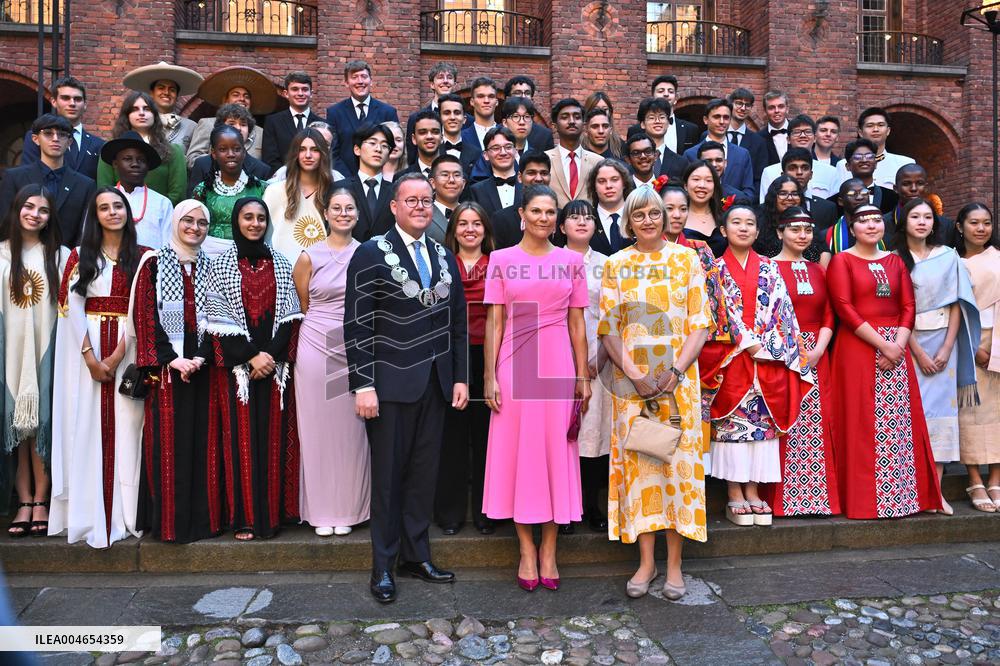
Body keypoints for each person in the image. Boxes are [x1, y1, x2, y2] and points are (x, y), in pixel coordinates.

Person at [344, 174, 468, 604]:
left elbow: (456, 321)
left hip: (435, 385)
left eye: (426, 200)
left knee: (422, 477)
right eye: (411, 200)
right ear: (394, 206)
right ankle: (383, 565)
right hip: (388, 387)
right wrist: (362, 384)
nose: (420, 207)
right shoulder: (370, 253)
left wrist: (459, 377)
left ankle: (417, 556)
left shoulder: (442, 254)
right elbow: (357, 324)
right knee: (388, 480)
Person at [599, 186, 711, 599]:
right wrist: (635, 375)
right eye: (639, 214)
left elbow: (700, 323)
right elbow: (609, 328)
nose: (648, 220)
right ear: (628, 221)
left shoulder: (686, 259)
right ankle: (646, 564)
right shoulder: (616, 265)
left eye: (655, 213)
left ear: (666, 217)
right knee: (642, 472)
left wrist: (675, 372)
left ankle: (676, 566)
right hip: (632, 387)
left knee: (676, 470)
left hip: (679, 384)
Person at [482, 184, 589, 592]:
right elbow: (495, 320)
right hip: (515, 361)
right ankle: (525, 548)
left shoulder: (570, 261)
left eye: (551, 212)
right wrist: (490, 375)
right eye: (537, 211)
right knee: (519, 455)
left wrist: (582, 375)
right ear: (522, 214)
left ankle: (549, 549)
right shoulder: (502, 259)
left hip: (558, 361)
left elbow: (577, 324)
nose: (544, 218)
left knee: (553, 453)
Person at [826, 204, 942, 519]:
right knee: (860, 421)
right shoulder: (842, 260)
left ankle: (901, 497)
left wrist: (899, 345)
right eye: (864, 221)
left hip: (897, 346)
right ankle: (865, 502)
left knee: (899, 421)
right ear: (852, 228)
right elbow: (844, 308)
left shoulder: (894, 261)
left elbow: (908, 304)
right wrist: (884, 345)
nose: (872, 225)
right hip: (858, 346)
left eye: (877, 220)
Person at [700, 204, 811, 526]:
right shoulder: (715, 271)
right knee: (733, 430)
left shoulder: (771, 269)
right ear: (723, 230)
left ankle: (754, 491)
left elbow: (784, 312)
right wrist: (747, 342)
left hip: (768, 359)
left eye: (750, 223)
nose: (743, 228)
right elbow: (717, 314)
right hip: (732, 359)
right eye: (736, 223)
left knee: (763, 430)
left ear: (758, 232)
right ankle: (735, 493)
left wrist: (770, 347)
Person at [48, 188, 146, 548]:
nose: (112, 212)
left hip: (128, 350)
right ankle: (90, 512)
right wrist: (91, 357)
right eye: (104, 208)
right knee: (88, 424)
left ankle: (126, 513)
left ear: (128, 212)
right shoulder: (79, 256)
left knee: (127, 428)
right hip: (87, 350)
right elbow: (70, 308)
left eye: (117, 206)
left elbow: (142, 308)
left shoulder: (144, 257)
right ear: (95, 215)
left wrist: (118, 354)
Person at [205, 197, 302, 540]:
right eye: (248, 217)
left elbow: (291, 315)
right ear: (236, 221)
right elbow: (216, 319)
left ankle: (272, 516)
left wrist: (270, 357)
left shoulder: (280, 261)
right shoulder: (220, 266)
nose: (255, 224)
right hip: (237, 372)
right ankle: (245, 518)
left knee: (272, 442)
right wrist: (249, 357)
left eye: (261, 218)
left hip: (274, 371)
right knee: (240, 443)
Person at [130, 199, 221, 543]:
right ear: (175, 222)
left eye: (202, 223)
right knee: (168, 446)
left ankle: (204, 523)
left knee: (204, 445)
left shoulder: (211, 267)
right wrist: (172, 359)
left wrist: (199, 357)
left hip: (202, 370)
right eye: (188, 221)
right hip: (167, 373)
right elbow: (145, 319)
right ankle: (170, 524)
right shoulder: (153, 263)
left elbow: (217, 316)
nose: (195, 228)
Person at [895, 197, 980, 516]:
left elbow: (956, 303)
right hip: (908, 343)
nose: (921, 222)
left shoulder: (948, 257)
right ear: (903, 221)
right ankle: (912, 490)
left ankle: (936, 492)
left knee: (941, 418)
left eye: (927, 217)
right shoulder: (893, 259)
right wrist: (915, 349)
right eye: (914, 216)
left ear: (935, 222)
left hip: (944, 341)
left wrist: (945, 348)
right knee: (914, 415)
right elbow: (896, 311)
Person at [292, 188, 368, 537]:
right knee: (318, 430)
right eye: (336, 208)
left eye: (349, 208)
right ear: (326, 214)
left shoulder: (366, 254)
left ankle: (351, 509)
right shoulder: (309, 256)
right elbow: (304, 303)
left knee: (351, 431)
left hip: (354, 346)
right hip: (316, 347)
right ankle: (321, 510)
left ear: (356, 213)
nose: (342, 213)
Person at [758, 207, 842, 517]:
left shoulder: (820, 269)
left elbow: (829, 313)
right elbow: (763, 315)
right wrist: (788, 349)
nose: (802, 235)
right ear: (780, 232)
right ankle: (781, 501)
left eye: (807, 230)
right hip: (781, 354)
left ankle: (819, 499)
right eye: (794, 229)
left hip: (817, 353)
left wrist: (819, 348)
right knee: (784, 421)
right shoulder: (767, 267)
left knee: (818, 423)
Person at [0, 185, 69, 537]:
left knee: (43, 425)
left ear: (49, 218)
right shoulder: (0, 256)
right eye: (29, 207)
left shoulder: (59, 256)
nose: (35, 215)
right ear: (17, 209)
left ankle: (41, 500)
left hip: (48, 351)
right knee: (19, 431)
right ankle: (23, 500)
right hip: (9, 352)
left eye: (42, 210)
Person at [435, 201, 494, 536]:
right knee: (452, 437)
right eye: (463, 224)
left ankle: (487, 512)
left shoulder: (498, 264)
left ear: (485, 230)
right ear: (453, 230)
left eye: (476, 223)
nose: (470, 229)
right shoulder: (441, 263)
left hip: (489, 356)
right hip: (450, 355)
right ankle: (450, 513)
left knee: (487, 437)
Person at [559, 200, 612, 534]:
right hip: (556, 358)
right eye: (573, 217)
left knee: (595, 435)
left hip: (599, 359)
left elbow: (616, 317)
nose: (581, 222)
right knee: (563, 436)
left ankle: (592, 505)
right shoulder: (549, 261)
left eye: (588, 217)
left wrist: (601, 356)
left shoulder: (609, 264)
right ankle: (565, 506)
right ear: (561, 226)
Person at [953, 203, 1000, 511]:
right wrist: (974, 348)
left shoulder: (998, 259)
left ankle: (995, 479)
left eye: (986, 223)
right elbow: (953, 309)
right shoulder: (951, 262)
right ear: (960, 226)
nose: (981, 229)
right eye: (974, 223)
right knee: (970, 412)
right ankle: (974, 479)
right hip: (968, 341)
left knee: (998, 413)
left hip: (999, 337)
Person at [0, 114, 95, 248]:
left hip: (65, 261)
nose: (55, 139)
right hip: (19, 258)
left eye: (62, 134)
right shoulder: (14, 177)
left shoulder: (85, 185)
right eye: (48, 134)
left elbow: (84, 232)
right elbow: (5, 223)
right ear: (36, 139)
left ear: (69, 142)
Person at [97, 91, 187, 205]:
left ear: (155, 114)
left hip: (160, 215)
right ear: (127, 115)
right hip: (119, 214)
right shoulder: (111, 149)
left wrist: (152, 211)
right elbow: (104, 188)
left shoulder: (173, 151)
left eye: (147, 109)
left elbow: (177, 193)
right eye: (135, 109)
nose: (141, 113)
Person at [191, 125, 268, 258]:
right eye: (223, 149)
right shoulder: (202, 190)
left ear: (244, 152)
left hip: (250, 257)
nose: (231, 154)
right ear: (214, 154)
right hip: (209, 258)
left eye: (237, 149)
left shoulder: (261, 188)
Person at [263, 128, 332, 264]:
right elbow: (264, 237)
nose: (308, 155)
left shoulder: (332, 192)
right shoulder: (274, 191)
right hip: (280, 269)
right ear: (295, 153)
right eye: (302, 149)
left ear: (323, 154)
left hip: (321, 270)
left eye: (314, 150)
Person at [187, 66, 277, 168]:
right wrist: (224, 163)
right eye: (236, 95)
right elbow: (192, 159)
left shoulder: (260, 132)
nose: (242, 99)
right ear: (225, 100)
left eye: (246, 96)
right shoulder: (207, 124)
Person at [20, 76, 105, 180]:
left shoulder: (98, 145)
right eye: (65, 98)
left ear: (85, 104)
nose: (72, 103)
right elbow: (28, 175)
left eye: (77, 99)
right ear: (54, 101)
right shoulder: (38, 137)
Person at [100, 131, 174, 250]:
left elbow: (168, 246)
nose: (135, 164)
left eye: (141, 160)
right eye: (127, 159)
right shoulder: (102, 200)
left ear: (148, 166)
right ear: (115, 164)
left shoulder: (162, 203)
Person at [326, 60, 399, 175]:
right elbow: (332, 152)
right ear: (346, 82)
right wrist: (348, 180)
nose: (360, 81)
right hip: (346, 180)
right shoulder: (334, 113)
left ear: (371, 81)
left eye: (364, 77)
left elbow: (393, 149)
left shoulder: (388, 112)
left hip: (379, 178)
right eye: (354, 77)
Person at [332, 124, 396, 242]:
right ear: (357, 149)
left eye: (385, 145)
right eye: (372, 143)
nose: (378, 149)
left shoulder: (395, 191)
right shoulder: (339, 188)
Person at [188, 104, 274, 191]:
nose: (238, 128)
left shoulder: (262, 169)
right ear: (220, 127)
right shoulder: (202, 165)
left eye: (243, 124)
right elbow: (193, 202)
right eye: (232, 123)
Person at [122, 61, 203, 152]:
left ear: (177, 95)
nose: (166, 93)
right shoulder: (140, 121)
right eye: (161, 88)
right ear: (151, 93)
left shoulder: (191, 127)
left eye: (172, 89)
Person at [683, 99, 754, 199]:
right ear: (705, 120)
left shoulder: (742, 154)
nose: (722, 122)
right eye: (716, 117)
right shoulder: (690, 154)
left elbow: (749, 191)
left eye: (726, 117)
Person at [758, 115, 838, 202]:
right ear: (788, 139)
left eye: (807, 132)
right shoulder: (770, 172)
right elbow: (765, 207)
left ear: (815, 138)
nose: (803, 135)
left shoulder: (830, 172)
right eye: (797, 132)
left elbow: (832, 209)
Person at [756, 176, 831, 266]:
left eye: (795, 194)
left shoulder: (806, 219)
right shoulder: (759, 221)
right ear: (773, 197)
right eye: (783, 193)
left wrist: (821, 274)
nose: (790, 198)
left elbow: (824, 251)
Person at [405, 62, 469, 164]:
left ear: (455, 84)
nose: (445, 81)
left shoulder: (468, 120)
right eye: (440, 77)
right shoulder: (415, 118)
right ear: (432, 84)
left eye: (449, 77)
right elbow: (412, 157)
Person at [835, 107, 915, 189]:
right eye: (870, 126)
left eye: (880, 125)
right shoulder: (843, 165)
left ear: (888, 131)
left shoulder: (904, 163)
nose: (876, 129)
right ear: (860, 132)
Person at [545, 99, 602, 206]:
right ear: (554, 126)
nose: (571, 121)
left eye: (577, 117)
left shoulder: (598, 161)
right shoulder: (544, 159)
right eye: (565, 117)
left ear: (584, 125)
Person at [491, 151, 552, 250]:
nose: (538, 178)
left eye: (544, 173)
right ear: (519, 177)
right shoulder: (501, 219)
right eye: (531, 173)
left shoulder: (559, 217)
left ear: (550, 177)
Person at [262, 72, 321, 172]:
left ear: (311, 93)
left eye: (305, 89)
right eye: (295, 89)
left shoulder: (321, 124)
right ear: (286, 94)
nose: (300, 93)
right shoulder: (273, 122)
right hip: (283, 181)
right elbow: (270, 158)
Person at [884, 164, 953, 243]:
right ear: (896, 189)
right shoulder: (882, 225)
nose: (913, 189)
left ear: (926, 187)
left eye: (919, 183)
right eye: (906, 184)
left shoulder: (946, 226)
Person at [779, 147, 838, 231]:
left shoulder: (828, 208)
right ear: (783, 175)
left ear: (811, 174)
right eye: (792, 168)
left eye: (805, 168)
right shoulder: (770, 207)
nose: (799, 172)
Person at [833, 139, 898, 215]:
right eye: (858, 157)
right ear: (848, 166)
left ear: (876, 164)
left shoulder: (893, 197)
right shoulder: (834, 201)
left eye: (869, 156)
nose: (864, 160)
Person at [586, 158, 635, 255]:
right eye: (602, 181)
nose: (608, 186)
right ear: (594, 186)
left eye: (614, 180)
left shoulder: (638, 215)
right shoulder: (586, 219)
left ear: (624, 183)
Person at [470, 127, 522, 217]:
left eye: (508, 147)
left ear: (516, 152)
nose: (503, 152)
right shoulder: (476, 191)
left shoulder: (529, 187)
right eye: (496, 148)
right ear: (485, 155)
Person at [681, 160, 726, 258]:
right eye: (696, 179)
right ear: (685, 185)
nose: (702, 185)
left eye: (708, 180)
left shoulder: (724, 217)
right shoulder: (676, 217)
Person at [638, 97, 689, 181]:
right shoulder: (633, 158)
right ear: (642, 124)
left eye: (662, 117)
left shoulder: (681, 162)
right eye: (651, 118)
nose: (657, 121)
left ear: (668, 123)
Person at [726, 87, 768, 184]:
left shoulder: (759, 142)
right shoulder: (715, 135)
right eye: (739, 103)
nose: (743, 108)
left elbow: (759, 178)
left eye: (747, 105)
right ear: (730, 104)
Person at [502, 75, 555, 151]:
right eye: (517, 93)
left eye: (527, 93)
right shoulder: (496, 132)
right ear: (507, 99)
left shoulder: (544, 135)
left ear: (532, 99)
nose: (523, 97)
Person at [825, 178, 874, 254]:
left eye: (864, 193)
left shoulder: (880, 231)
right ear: (841, 201)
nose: (859, 197)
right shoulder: (827, 235)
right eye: (852, 194)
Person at [439, 93, 482, 177]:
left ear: (464, 119)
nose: (452, 117)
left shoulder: (476, 153)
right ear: (440, 118)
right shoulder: (432, 151)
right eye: (447, 113)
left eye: (457, 113)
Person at [428, 154, 466, 243]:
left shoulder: (473, 214)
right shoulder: (424, 215)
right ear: (432, 183)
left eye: (457, 175)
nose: (452, 180)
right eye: (445, 175)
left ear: (463, 183)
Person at [399, 110, 443, 179]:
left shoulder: (456, 175)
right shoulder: (401, 178)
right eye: (423, 132)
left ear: (442, 137)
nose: (429, 136)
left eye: (435, 132)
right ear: (414, 139)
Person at [463, 77, 500, 153]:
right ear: (472, 102)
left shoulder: (508, 134)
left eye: (491, 96)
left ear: (496, 102)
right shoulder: (461, 136)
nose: (486, 101)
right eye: (480, 96)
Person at [756, 91, 790, 166]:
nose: (777, 111)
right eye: (771, 108)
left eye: (781, 106)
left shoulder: (798, 131)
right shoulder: (758, 138)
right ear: (765, 111)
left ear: (787, 109)